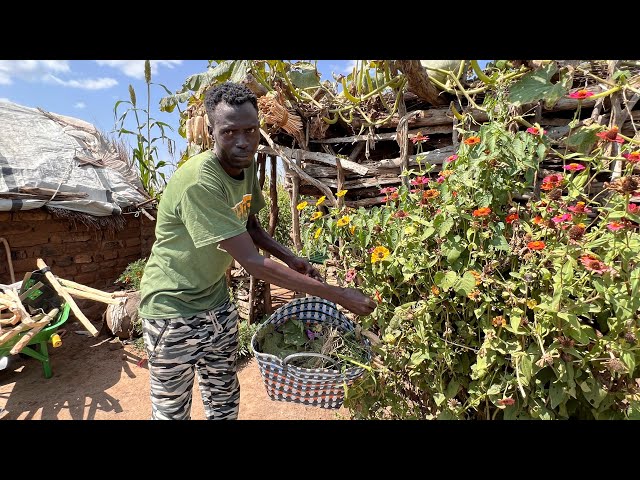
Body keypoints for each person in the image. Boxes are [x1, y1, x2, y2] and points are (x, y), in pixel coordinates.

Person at [138, 81, 377, 420]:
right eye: (229, 131)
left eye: (250, 130)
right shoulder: (200, 181)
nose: (242, 141)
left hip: (216, 302)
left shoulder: (246, 166)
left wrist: (291, 258)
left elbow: (251, 227)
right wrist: (336, 295)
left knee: (223, 396)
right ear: (211, 130)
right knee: (172, 411)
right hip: (172, 311)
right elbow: (251, 262)